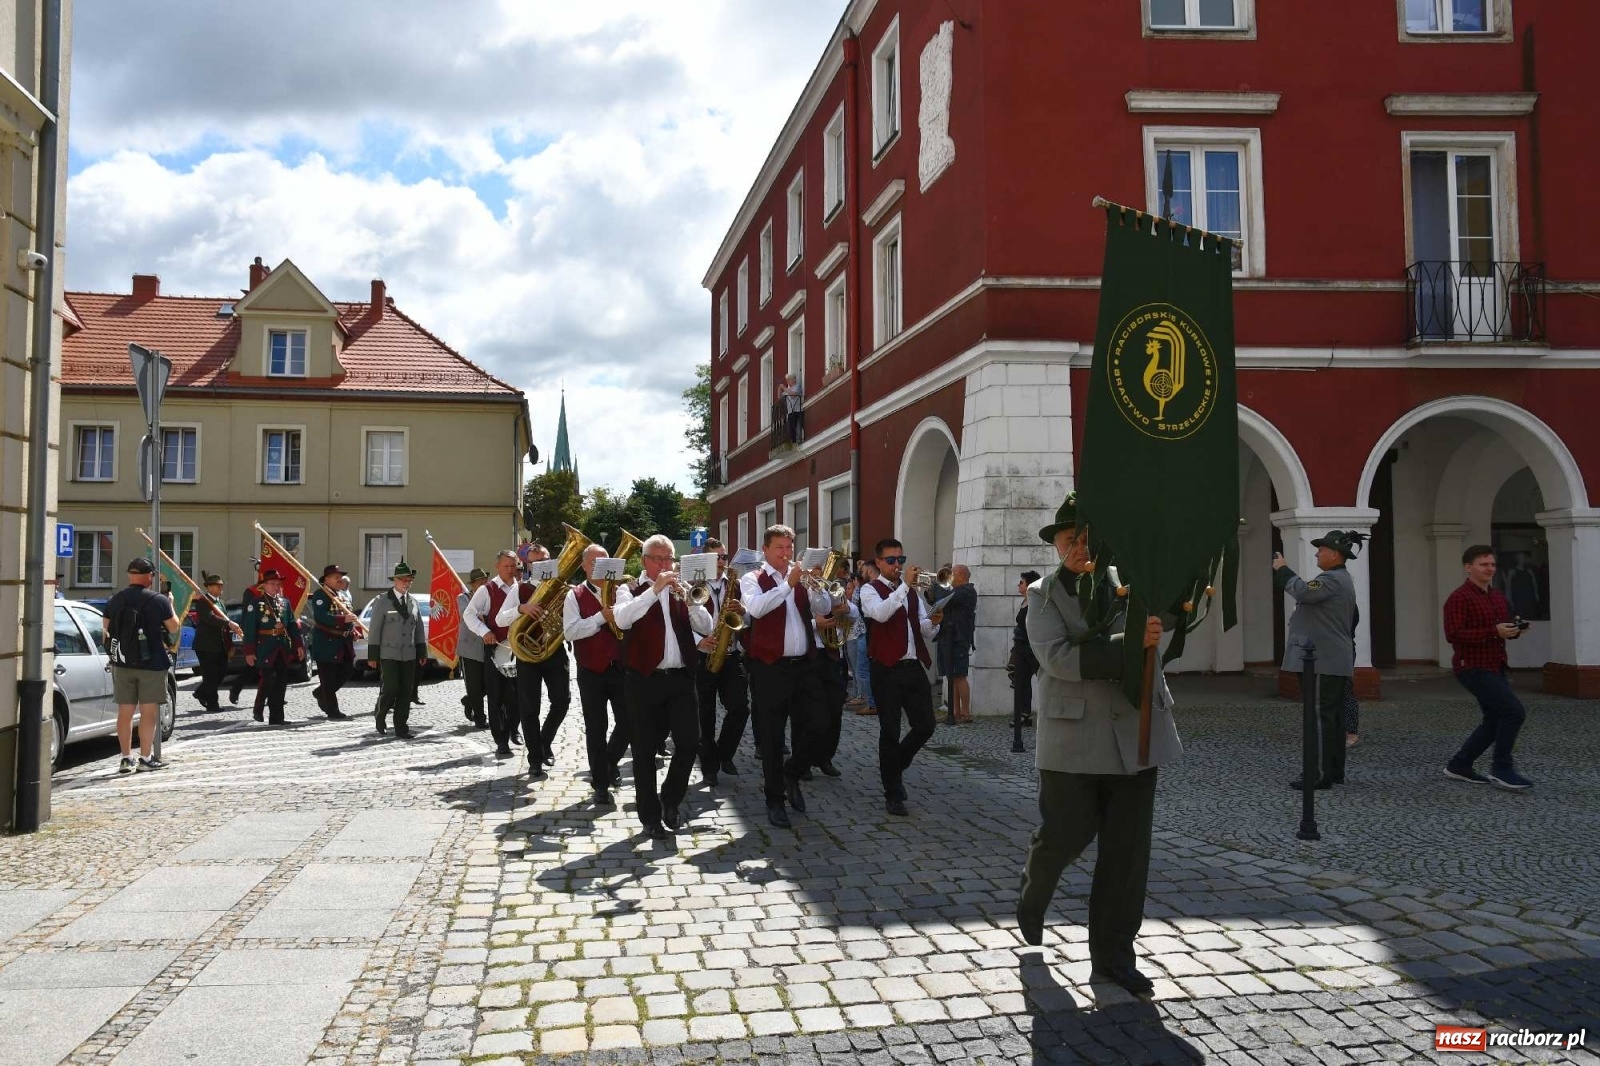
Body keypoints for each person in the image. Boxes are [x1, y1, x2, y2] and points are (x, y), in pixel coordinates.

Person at [1017, 493, 1174, 1000]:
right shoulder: (1042, 596)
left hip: (1136, 732)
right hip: (1073, 742)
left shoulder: (1130, 582)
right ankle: (1035, 886)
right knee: (1065, 835)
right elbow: (1060, 658)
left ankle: (1113, 959)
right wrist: (1130, 645)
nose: (1079, 548)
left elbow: (1172, 623)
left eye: (1086, 539)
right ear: (1057, 546)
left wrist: (1158, 626)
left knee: (1126, 855)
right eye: (1069, 540)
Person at [612, 534, 714, 840]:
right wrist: (654, 592)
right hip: (644, 680)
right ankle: (650, 816)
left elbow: (706, 626)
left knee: (689, 742)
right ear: (645, 561)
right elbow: (622, 620)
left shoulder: (681, 590)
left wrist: (691, 602)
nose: (666, 564)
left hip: (681, 678)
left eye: (670, 559)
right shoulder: (627, 589)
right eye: (659, 559)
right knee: (643, 751)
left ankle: (670, 799)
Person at [741, 524, 831, 828]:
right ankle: (774, 798)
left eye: (789, 548)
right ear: (765, 550)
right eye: (780, 547)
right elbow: (756, 609)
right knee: (772, 737)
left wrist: (816, 586)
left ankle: (792, 772)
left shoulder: (800, 577)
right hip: (769, 668)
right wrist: (787, 585)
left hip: (803, 665)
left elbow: (823, 607)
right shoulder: (752, 579)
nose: (786, 553)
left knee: (821, 724)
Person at [1273, 530, 1364, 789]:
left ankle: (1319, 774)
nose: (1317, 553)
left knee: (1320, 716)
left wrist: (1282, 569)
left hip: (1323, 659)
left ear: (1335, 553)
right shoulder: (1338, 579)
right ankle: (1333, 770)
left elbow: (1303, 592)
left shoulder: (1332, 580)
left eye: (1321, 549)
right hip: (1328, 658)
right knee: (1331, 716)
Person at [1443, 545, 1533, 791]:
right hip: (1472, 666)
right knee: (1513, 712)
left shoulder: (1497, 596)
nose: (1490, 569)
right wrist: (1493, 632)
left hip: (1496, 664)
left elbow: (1505, 627)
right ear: (1468, 567)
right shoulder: (1459, 597)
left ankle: (1460, 765)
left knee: (1494, 719)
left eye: (1492, 564)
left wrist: (1516, 629)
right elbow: (1454, 634)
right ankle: (1502, 768)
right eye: (1484, 565)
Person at [860, 537, 939, 817]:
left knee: (925, 725)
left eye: (901, 560)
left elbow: (924, 630)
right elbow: (881, 615)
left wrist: (936, 621)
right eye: (892, 560)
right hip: (885, 669)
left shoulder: (912, 593)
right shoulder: (869, 590)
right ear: (879, 562)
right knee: (890, 731)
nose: (897, 565)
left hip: (912, 665)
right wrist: (905, 586)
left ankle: (897, 764)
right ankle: (893, 792)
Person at [563, 545, 632, 806]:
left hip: (620, 667)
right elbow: (570, 632)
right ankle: (600, 784)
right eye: (594, 562)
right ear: (583, 566)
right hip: (591, 670)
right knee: (596, 728)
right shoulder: (574, 595)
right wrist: (600, 618)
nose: (600, 567)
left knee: (628, 722)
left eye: (605, 562)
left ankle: (608, 763)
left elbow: (629, 622)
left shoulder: (622, 591)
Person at [104, 557, 181, 773]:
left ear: (130, 575)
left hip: (123, 663)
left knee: (125, 712)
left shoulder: (115, 599)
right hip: (152, 663)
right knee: (148, 713)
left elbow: (106, 630)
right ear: (150, 576)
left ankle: (126, 758)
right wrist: (171, 605)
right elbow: (174, 628)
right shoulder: (159, 600)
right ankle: (145, 758)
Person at [692, 537, 751, 787]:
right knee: (704, 715)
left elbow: (746, 622)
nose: (722, 562)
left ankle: (723, 754)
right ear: (705, 559)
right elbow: (680, 621)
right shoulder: (692, 584)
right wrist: (698, 640)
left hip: (730, 652)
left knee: (740, 707)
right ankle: (709, 767)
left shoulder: (735, 583)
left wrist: (743, 611)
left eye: (724, 557)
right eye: (716, 557)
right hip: (702, 655)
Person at [509, 540, 572, 768]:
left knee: (562, 701)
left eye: (545, 561)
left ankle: (545, 742)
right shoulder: (520, 589)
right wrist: (521, 608)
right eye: (535, 563)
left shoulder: (564, 589)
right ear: (528, 565)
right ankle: (534, 757)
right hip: (527, 654)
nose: (541, 565)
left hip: (554, 651)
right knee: (529, 708)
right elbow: (499, 618)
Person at [462, 550, 528, 759]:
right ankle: (501, 741)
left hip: (521, 649)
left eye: (514, 565)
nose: (510, 569)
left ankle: (513, 728)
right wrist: (485, 632)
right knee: (497, 695)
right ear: (498, 567)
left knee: (519, 695)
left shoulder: (522, 588)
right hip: (496, 647)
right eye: (506, 566)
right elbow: (469, 614)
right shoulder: (487, 590)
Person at [367, 560, 426, 738]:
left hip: (408, 653)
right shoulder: (383, 601)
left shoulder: (413, 602)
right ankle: (380, 714)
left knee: (406, 691)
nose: (407, 583)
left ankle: (401, 727)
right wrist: (373, 655)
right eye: (403, 580)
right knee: (391, 688)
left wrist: (421, 651)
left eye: (409, 580)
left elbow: (419, 628)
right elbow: (375, 629)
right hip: (389, 652)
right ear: (395, 581)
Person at [242, 568, 305, 725]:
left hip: (282, 647)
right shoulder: (256, 604)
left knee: (281, 682)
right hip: (265, 647)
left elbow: (291, 625)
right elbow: (249, 629)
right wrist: (249, 652)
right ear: (264, 585)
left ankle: (277, 717)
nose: (276, 587)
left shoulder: (284, 602)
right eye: (273, 584)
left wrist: (299, 644)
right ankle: (258, 706)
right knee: (269, 679)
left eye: (278, 584)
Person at [308, 564, 357, 720]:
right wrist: (343, 620)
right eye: (336, 577)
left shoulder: (341, 595)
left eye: (340, 577)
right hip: (327, 642)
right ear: (326, 579)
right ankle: (332, 710)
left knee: (347, 671)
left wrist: (352, 629)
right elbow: (322, 617)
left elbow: (349, 615)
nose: (339, 579)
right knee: (328, 677)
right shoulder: (320, 595)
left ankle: (320, 692)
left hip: (343, 642)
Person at [187, 572, 240, 714]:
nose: (220, 588)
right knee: (210, 675)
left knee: (221, 672)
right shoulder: (203, 602)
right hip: (206, 645)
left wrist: (231, 645)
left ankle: (201, 692)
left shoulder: (221, 603)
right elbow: (209, 618)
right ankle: (212, 704)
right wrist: (228, 623)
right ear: (209, 587)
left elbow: (224, 626)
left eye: (221, 585)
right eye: (217, 586)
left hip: (220, 645)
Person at [937, 565, 978, 724]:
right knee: (951, 676)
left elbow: (945, 597)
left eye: (952, 574)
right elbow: (938, 601)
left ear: (961, 576)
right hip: (948, 636)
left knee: (960, 676)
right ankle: (954, 712)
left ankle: (966, 713)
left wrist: (939, 583)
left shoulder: (967, 591)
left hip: (959, 638)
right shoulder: (954, 591)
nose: (949, 577)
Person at [1010, 570, 1042, 734]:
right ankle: (1023, 713)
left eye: (1021, 582)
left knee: (1042, 678)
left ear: (1029, 585)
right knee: (1021, 680)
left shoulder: (1035, 602)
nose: (1018, 584)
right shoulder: (1024, 602)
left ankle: (1042, 713)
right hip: (1021, 646)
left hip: (1033, 647)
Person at [458, 568, 490, 728]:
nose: (483, 585)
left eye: (485, 582)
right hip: (469, 649)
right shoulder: (463, 598)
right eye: (480, 583)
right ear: (473, 585)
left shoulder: (489, 596)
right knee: (474, 685)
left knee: (488, 684)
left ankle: (469, 700)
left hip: (487, 647)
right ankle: (480, 718)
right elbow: (467, 614)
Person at [850, 563, 878, 716]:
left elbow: (854, 611)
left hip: (863, 633)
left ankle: (873, 703)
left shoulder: (863, 589)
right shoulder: (872, 588)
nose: (858, 574)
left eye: (861, 570)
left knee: (862, 671)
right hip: (868, 632)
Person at [779, 373, 804, 444]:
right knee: (792, 427)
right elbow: (780, 397)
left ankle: (801, 438)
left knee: (801, 424)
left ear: (794, 379)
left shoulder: (797, 386)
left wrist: (784, 388)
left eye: (789, 380)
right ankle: (794, 442)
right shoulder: (788, 389)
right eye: (787, 380)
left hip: (798, 409)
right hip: (790, 411)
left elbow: (793, 395)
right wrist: (779, 389)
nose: (788, 381)